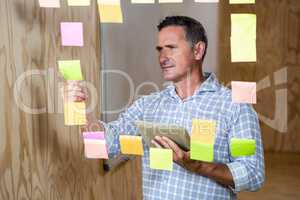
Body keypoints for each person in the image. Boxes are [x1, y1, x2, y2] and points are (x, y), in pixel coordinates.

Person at [65, 16, 265, 199]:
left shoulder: (235, 106)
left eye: (171, 47)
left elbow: (253, 174)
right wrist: (82, 112)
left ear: (198, 50)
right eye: (159, 49)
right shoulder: (148, 105)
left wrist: (197, 165)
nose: (163, 57)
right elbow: (106, 145)